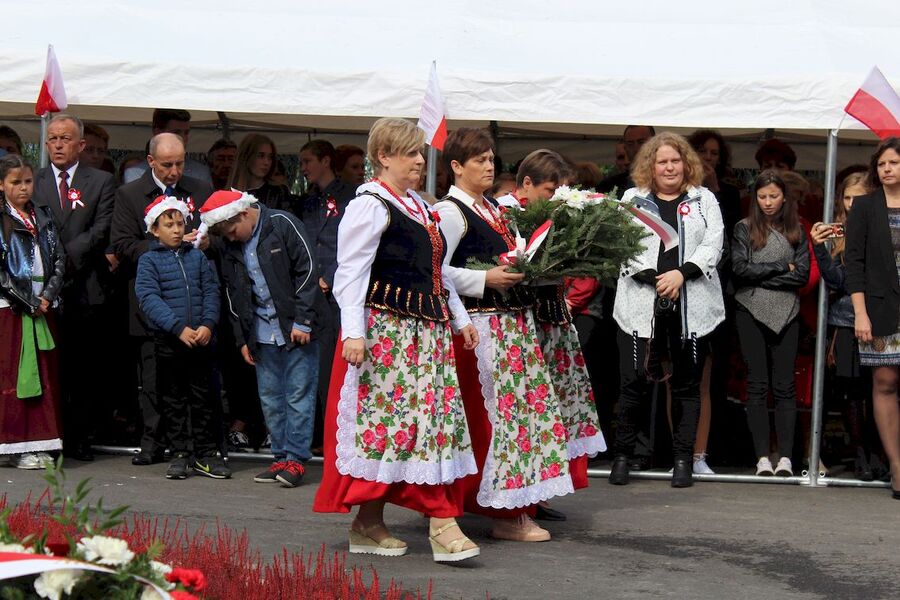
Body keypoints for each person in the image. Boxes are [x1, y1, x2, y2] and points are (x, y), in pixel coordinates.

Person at [313, 117, 481, 563]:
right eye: (410, 153)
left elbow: (437, 272)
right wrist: (353, 331)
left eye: (420, 153)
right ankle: (440, 523)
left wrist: (460, 317)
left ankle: (369, 522)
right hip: (387, 335)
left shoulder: (419, 206)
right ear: (383, 157)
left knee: (425, 428)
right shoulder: (369, 204)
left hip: (426, 334)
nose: (419, 161)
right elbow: (350, 271)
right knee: (392, 429)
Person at [436, 129, 571, 543]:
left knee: (519, 419)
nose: (489, 166)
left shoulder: (491, 207)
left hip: (512, 324)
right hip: (483, 327)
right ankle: (505, 513)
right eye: (479, 159)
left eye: (492, 158)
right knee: (498, 422)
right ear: (457, 167)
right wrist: (484, 278)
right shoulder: (450, 212)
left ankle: (516, 505)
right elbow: (435, 269)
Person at [608, 132, 725, 488]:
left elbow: (713, 242)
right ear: (650, 166)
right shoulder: (632, 199)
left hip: (691, 304)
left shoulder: (703, 199)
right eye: (662, 161)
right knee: (632, 385)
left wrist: (680, 274)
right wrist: (653, 277)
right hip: (639, 302)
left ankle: (682, 460)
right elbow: (618, 243)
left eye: (675, 160)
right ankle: (623, 457)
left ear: (686, 164)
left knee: (688, 387)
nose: (670, 167)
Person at [202, 189, 319, 488]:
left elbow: (307, 270)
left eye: (232, 231)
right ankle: (280, 456)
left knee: (297, 395)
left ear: (243, 214)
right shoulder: (232, 245)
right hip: (262, 333)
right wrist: (243, 339)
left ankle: (295, 458)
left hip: (294, 328)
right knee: (270, 399)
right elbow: (233, 293)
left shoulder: (282, 224)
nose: (230, 238)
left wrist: (303, 321)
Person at [112, 132, 214, 466]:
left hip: (193, 301)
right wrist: (166, 245)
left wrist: (203, 242)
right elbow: (124, 244)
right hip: (152, 304)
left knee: (194, 384)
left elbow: (219, 236)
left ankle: (193, 446)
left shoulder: (199, 191)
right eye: (167, 164)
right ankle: (153, 441)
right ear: (151, 162)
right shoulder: (129, 194)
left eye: (180, 163)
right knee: (155, 381)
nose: (174, 171)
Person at [32, 114, 116, 462]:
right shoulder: (33, 181)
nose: (58, 145)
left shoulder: (101, 181)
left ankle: (80, 436)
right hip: (42, 290)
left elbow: (101, 229)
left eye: (65, 139)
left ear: (80, 145)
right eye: (52, 139)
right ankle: (49, 437)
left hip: (84, 285)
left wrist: (64, 257)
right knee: (48, 368)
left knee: (83, 368)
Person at [135, 196, 226, 480]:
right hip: (170, 341)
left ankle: (206, 452)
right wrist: (176, 328)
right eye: (168, 224)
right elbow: (148, 298)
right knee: (173, 399)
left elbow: (211, 290)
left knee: (203, 397)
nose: (176, 230)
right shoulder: (149, 260)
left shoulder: (197, 256)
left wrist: (208, 324)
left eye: (179, 223)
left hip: (201, 340)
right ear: (154, 230)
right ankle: (179, 452)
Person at [732, 170, 810, 477]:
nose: (767, 202)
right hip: (749, 309)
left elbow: (801, 276)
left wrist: (762, 273)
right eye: (762, 197)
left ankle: (787, 458)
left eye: (773, 196)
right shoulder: (744, 228)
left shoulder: (798, 230)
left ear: (784, 197)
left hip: (788, 311)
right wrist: (782, 266)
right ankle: (762, 457)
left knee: (785, 385)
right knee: (757, 382)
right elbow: (739, 270)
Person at [811, 172, 880, 480]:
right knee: (852, 394)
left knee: (879, 391)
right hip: (844, 322)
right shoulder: (835, 232)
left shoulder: (884, 227)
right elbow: (836, 280)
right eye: (848, 198)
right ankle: (862, 455)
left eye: (859, 197)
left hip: (881, 321)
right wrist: (819, 249)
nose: (853, 204)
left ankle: (880, 453)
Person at [0, 154, 66, 469]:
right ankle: (13, 445)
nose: (23, 188)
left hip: (41, 305)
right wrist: (26, 300)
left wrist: (48, 295)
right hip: (11, 309)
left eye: (27, 181)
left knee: (41, 374)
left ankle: (38, 442)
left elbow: (59, 258)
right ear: (1, 185)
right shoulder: (1, 219)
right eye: (16, 182)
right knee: (15, 376)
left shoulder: (42, 214)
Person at [845, 137, 900, 500]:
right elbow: (855, 265)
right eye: (881, 164)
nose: (887, 169)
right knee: (885, 382)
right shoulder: (864, 206)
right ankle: (897, 465)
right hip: (880, 309)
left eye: (894, 163)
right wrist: (860, 313)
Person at [296, 140, 355, 454]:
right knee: (316, 366)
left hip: (336, 293)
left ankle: (338, 436)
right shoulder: (308, 201)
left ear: (326, 161)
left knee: (336, 364)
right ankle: (321, 436)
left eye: (308, 161)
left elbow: (352, 244)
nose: (303, 168)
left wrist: (329, 278)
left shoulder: (351, 196)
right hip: (311, 293)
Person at [123, 109, 212, 185]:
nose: (183, 138)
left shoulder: (201, 173)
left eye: (186, 133)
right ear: (157, 132)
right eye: (176, 132)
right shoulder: (136, 174)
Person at [228, 134, 296, 213]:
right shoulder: (230, 193)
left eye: (270, 157)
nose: (266, 162)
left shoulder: (279, 192)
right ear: (246, 157)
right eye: (260, 156)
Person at [597, 125, 655, 194]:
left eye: (641, 142)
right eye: (630, 144)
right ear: (625, 148)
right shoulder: (609, 186)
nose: (636, 148)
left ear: (654, 143)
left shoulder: (666, 179)